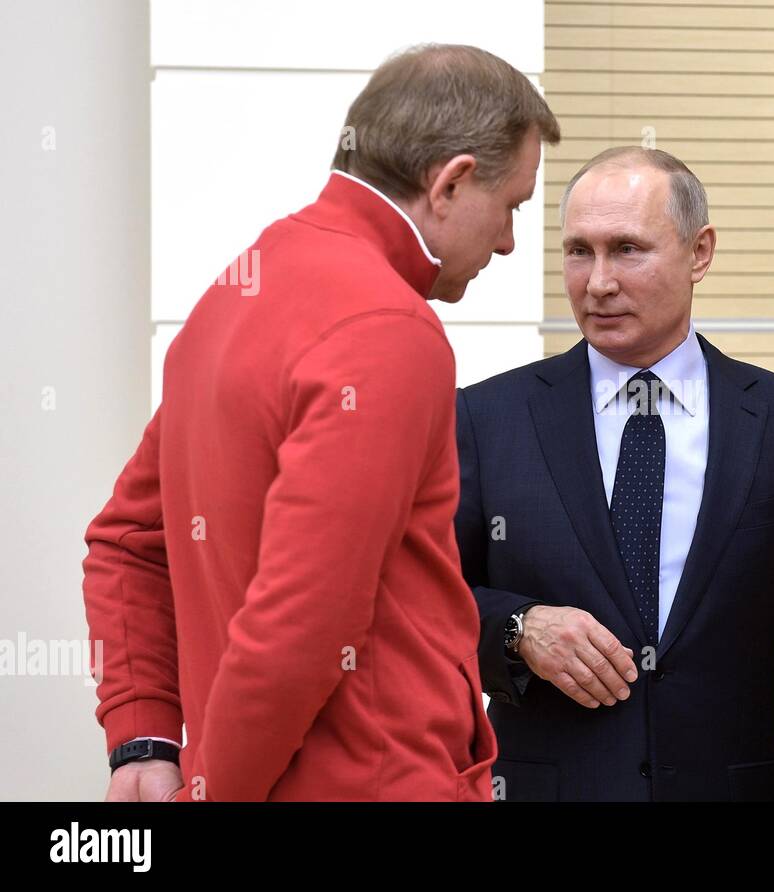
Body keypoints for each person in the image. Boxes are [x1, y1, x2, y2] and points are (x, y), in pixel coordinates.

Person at [81, 44, 559, 801]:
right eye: (513, 207)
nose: (506, 241)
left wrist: (142, 739)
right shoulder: (386, 327)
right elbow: (300, 629)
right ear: (453, 182)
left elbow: (125, 543)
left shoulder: (235, 295)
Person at [454, 147, 774, 801]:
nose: (598, 281)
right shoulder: (487, 417)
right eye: (579, 251)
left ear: (700, 252)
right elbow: (421, 607)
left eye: (627, 249)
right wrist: (517, 631)